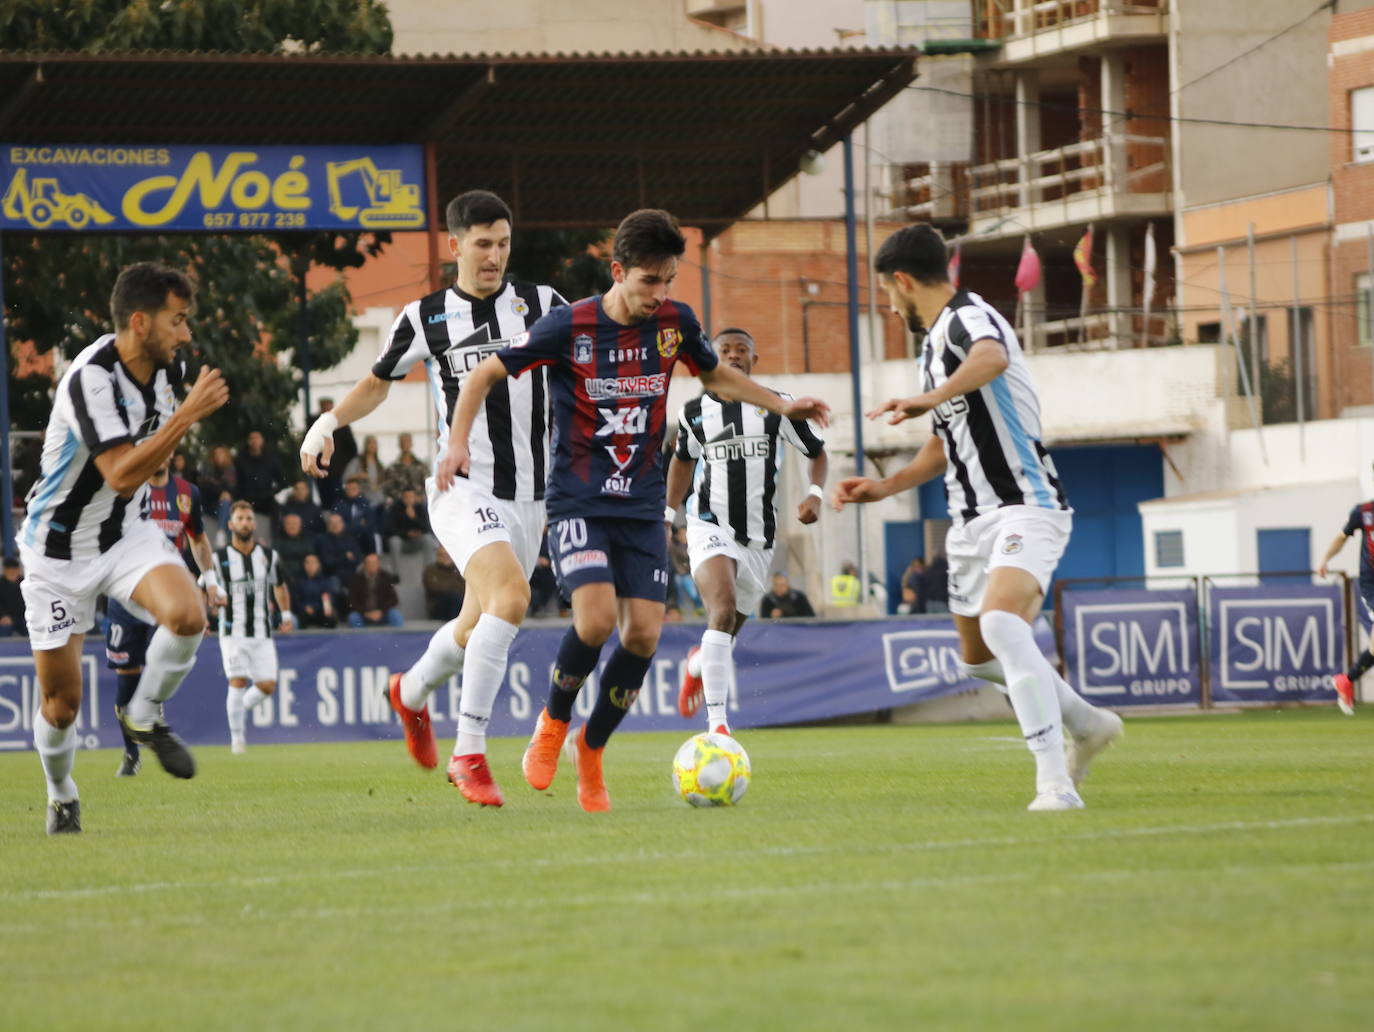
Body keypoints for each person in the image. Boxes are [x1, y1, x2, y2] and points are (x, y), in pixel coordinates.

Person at [444, 208, 829, 812]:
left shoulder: (676, 323)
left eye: (669, 280)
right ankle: (550, 725)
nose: (661, 294)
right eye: (650, 281)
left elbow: (717, 378)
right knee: (596, 620)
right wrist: (457, 442)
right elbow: (482, 376)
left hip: (642, 504)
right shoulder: (567, 326)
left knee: (645, 635)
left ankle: (590, 751)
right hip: (578, 499)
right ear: (618, 271)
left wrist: (782, 405)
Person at [832, 222, 1123, 812]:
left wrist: (927, 399)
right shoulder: (932, 349)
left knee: (1000, 625)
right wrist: (885, 487)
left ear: (903, 281)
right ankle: (1088, 723)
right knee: (981, 658)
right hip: (967, 523)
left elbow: (990, 358)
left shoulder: (971, 318)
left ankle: (1055, 785)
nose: (890, 306)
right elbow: (942, 446)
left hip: (1025, 503)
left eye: (888, 294)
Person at [301, 189, 567, 808]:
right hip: (461, 486)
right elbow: (376, 384)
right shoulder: (426, 317)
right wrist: (329, 423)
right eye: (482, 243)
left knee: (480, 623)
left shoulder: (543, 305)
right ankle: (470, 752)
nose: (495, 255)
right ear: (454, 247)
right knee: (512, 597)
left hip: (531, 496)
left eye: (503, 242)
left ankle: (412, 691)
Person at [17, 261, 229, 834]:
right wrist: (187, 416)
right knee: (61, 706)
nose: (186, 334)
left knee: (188, 615)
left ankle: (142, 715)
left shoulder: (166, 370)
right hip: (57, 554)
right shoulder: (91, 378)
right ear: (140, 322)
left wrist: (178, 419)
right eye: (177, 321)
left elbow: (143, 470)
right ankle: (61, 792)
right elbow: (118, 473)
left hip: (123, 534)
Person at [666, 326, 828, 733]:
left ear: (755, 361)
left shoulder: (779, 407)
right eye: (725, 350)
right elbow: (683, 460)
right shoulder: (694, 412)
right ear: (712, 358)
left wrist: (815, 494)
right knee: (719, 611)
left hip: (759, 537)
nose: (734, 355)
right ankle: (718, 727)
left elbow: (817, 452)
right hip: (708, 523)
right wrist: (668, 516)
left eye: (742, 350)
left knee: (726, 630)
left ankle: (698, 663)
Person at [105, 454, 223, 778]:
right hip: (127, 592)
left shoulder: (187, 493)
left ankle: (148, 722)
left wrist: (209, 581)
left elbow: (197, 538)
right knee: (127, 673)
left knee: (160, 665)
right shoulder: (128, 488)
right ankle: (131, 753)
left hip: (166, 595)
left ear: (172, 451)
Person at [211, 501, 293, 753]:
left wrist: (286, 613)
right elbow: (205, 588)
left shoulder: (268, 556)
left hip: (261, 631)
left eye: (249, 518)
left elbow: (279, 585)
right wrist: (206, 614)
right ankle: (237, 741)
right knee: (237, 681)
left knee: (268, 685)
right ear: (231, 523)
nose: (245, 523)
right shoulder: (218, 558)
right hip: (231, 631)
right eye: (240, 518)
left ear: (254, 524)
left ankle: (236, 710)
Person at [1317, 486, 1374, 715]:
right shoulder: (1364, 512)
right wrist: (1325, 559)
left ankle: (1346, 680)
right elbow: (1342, 537)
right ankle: (1346, 680)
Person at [315, 397, 357, 509]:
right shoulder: (315, 424)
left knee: (337, 500)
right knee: (325, 500)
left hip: (337, 472)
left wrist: (343, 466)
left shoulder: (341, 424)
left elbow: (352, 449)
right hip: (321, 471)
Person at [234, 430, 285, 522]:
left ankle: (276, 536)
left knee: (276, 510)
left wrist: (271, 493)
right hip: (246, 498)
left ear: (262, 440)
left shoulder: (272, 459)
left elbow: (281, 481)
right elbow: (236, 481)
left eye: (257, 438)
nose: (254, 441)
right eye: (251, 438)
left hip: (266, 498)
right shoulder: (240, 460)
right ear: (248, 441)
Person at [347, 552, 404, 627]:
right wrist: (365, 613)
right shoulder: (356, 579)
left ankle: (398, 637)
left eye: (375, 563)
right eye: (370, 563)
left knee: (396, 615)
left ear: (378, 564)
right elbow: (351, 601)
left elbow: (394, 599)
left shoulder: (386, 577)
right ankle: (359, 638)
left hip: (382, 614)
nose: (372, 565)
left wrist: (381, 612)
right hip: (363, 614)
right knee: (353, 617)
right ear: (364, 564)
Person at [333, 475, 380, 556]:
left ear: (359, 489)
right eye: (349, 489)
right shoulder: (339, 504)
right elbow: (337, 525)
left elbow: (370, 522)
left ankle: (371, 560)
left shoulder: (366, 503)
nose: (351, 491)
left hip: (363, 535)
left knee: (370, 536)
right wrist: (358, 523)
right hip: (345, 535)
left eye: (354, 489)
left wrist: (348, 525)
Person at [293, 554, 338, 629]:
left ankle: (330, 639)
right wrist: (304, 608)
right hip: (304, 612)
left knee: (331, 617)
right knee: (300, 617)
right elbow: (295, 600)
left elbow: (329, 599)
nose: (310, 565)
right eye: (308, 562)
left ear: (318, 565)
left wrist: (316, 608)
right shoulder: (298, 581)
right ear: (304, 565)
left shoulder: (325, 581)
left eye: (313, 562)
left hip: (320, 611)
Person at [315, 511, 361, 584]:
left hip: (351, 574)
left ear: (343, 524)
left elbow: (358, 559)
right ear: (328, 525)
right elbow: (328, 562)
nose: (335, 525)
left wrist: (337, 558)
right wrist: (345, 557)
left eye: (337, 523)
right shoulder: (322, 540)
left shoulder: (350, 539)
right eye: (332, 523)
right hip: (331, 575)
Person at [422, 545, 465, 622]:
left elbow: (465, 588)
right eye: (441, 555)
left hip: (458, 603)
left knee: (458, 598)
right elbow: (435, 587)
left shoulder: (460, 570)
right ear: (437, 555)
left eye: (447, 555)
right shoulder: (431, 570)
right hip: (438, 606)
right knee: (451, 596)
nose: (445, 557)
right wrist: (454, 582)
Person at [382, 431, 428, 503]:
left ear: (411, 443)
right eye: (403, 442)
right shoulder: (392, 468)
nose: (405, 444)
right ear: (399, 444)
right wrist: (405, 498)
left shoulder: (421, 466)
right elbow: (388, 488)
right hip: (399, 505)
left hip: (419, 504)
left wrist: (419, 497)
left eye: (408, 441)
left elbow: (428, 485)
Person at [384, 486, 431, 554]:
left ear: (415, 497)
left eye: (411, 497)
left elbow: (427, 528)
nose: (409, 499)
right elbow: (390, 529)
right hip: (402, 541)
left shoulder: (420, 508)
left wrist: (414, 518)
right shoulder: (395, 509)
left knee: (428, 538)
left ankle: (430, 565)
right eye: (406, 497)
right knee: (394, 541)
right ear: (402, 498)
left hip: (417, 541)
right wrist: (406, 534)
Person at [342, 433, 385, 506]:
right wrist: (359, 475)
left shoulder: (379, 465)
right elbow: (345, 477)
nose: (372, 445)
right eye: (370, 443)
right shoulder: (357, 462)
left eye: (374, 443)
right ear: (365, 445)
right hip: (361, 497)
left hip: (377, 498)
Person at [273, 512, 314, 584]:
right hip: (284, 578)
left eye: (295, 523)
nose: (292, 526)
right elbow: (277, 561)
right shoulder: (278, 542)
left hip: (305, 577)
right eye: (289, 524)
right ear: (284, 526)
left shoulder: (307, 541)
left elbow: (310, 559)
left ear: (300, 525)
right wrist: (288, 576)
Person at [0, 557, 27, 637]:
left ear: (18, 570)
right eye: (9, 569)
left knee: (33, 629)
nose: (12, 571)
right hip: (6, 618)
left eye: (14, 569)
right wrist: (3, 616)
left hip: (24, 617)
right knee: (4, 629)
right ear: (4, 570)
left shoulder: (25, 583)